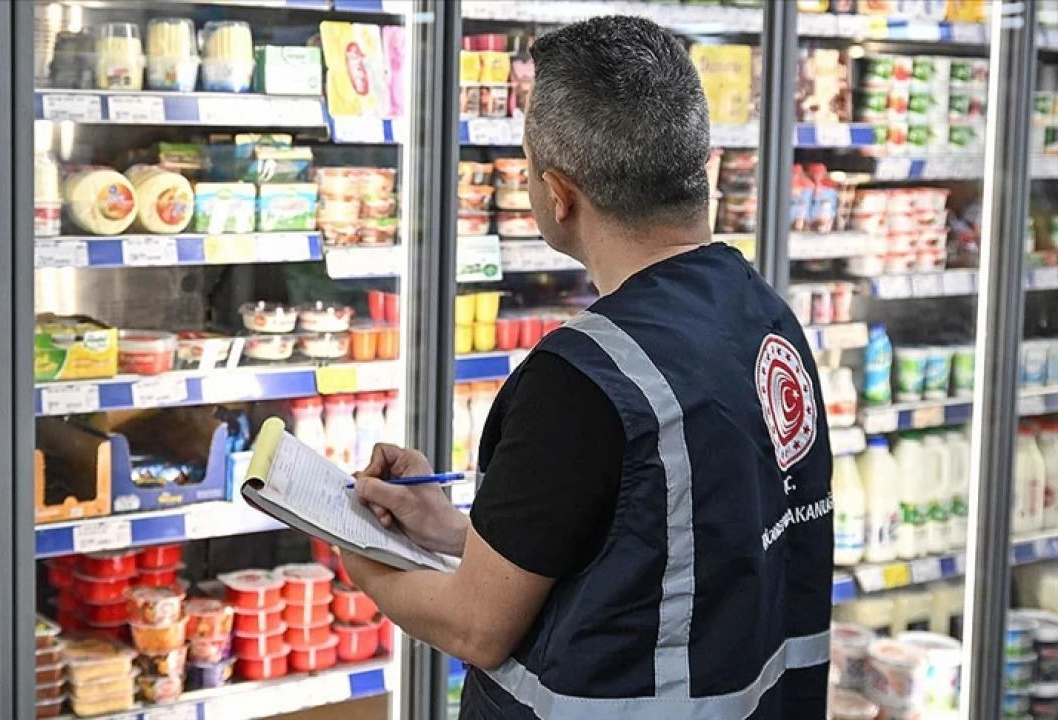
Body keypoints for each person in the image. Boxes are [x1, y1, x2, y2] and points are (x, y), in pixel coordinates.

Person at [341, 14, 834, 720]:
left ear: (559, 194)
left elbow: (474, 626)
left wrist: (359, 554)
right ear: (702, 167)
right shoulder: (765, 319)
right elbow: (667, 539)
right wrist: (454, 532)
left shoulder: (584, 378)